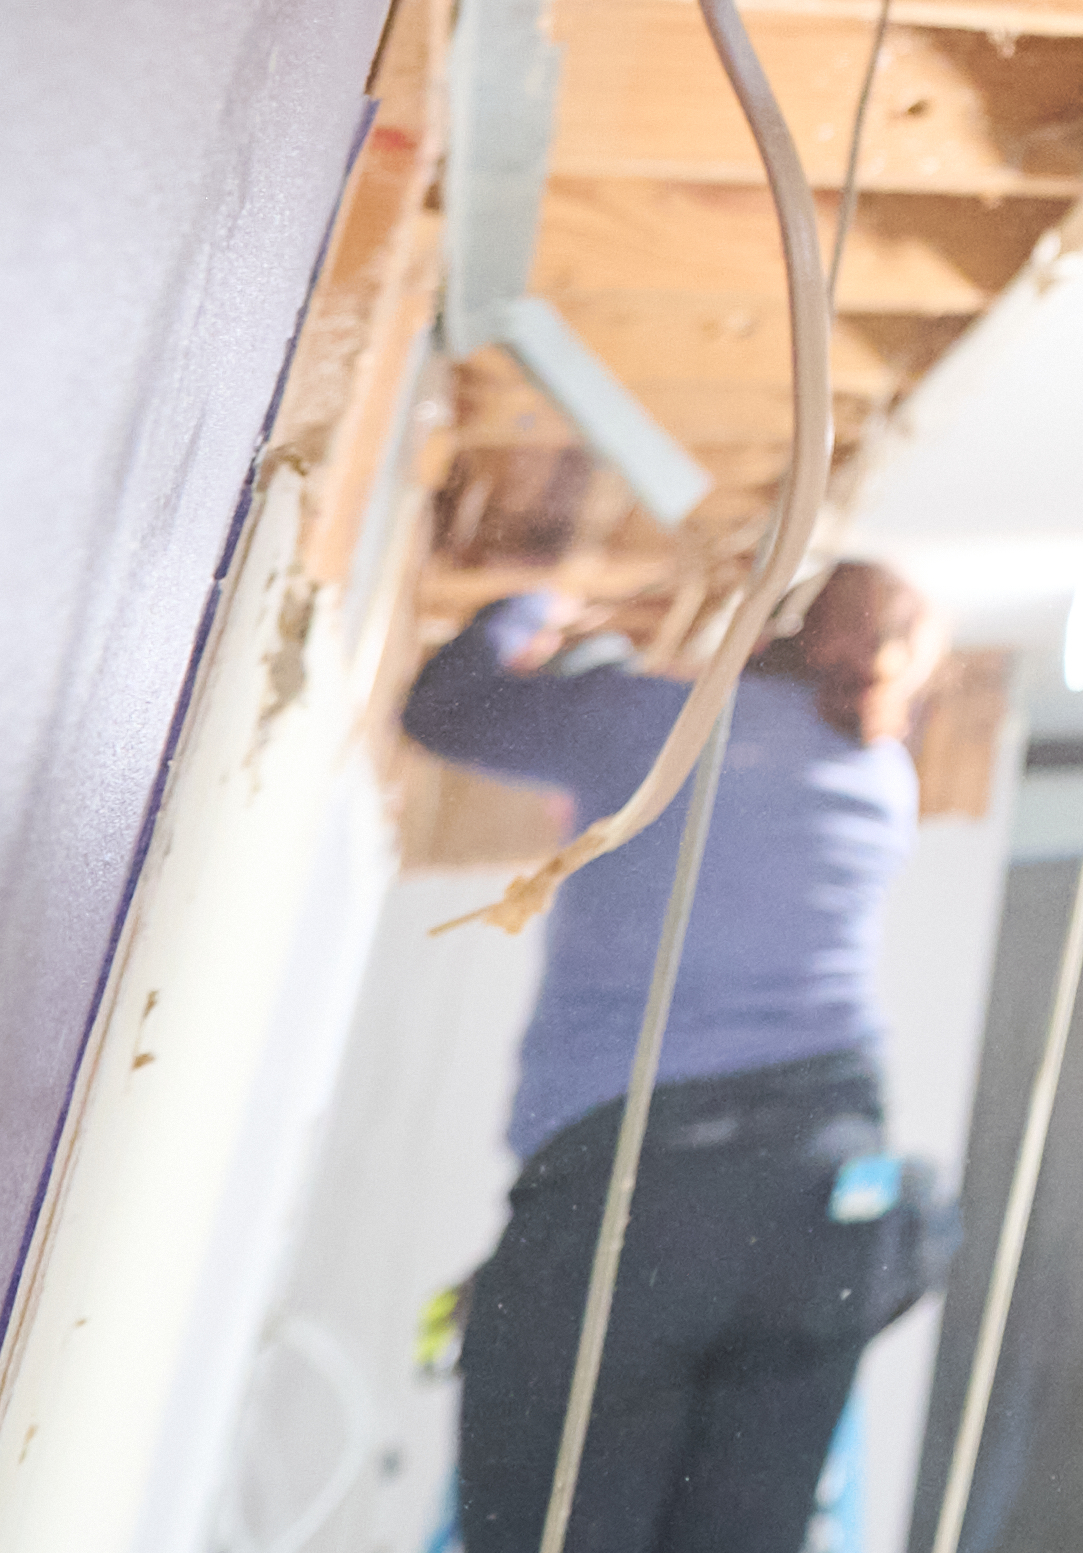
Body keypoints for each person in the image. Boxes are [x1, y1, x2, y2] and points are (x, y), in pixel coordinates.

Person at [402, 558, 955, 1553]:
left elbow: (447, 708)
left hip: (632, 1201)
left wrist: (539, 598)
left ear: (767, 628)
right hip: (819, 1209)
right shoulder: (885, 781)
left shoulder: (651, 722)